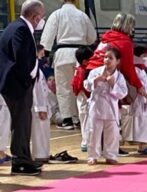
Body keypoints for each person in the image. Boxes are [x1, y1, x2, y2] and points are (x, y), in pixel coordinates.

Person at [0, 0, 46, 176]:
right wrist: (26, 80)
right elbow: (20, 59)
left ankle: (23, 159)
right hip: (17, 85)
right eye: (41, 17)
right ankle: (21, 161)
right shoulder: (20, 29)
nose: (41, 20)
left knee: (22, 122)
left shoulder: (15, 27)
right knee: (21, 123)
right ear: (35, 17)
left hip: (16, 83)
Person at [39, 0, 97, 130]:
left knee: (64, 87)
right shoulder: (82, 15)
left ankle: (67, 119)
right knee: (80, 87)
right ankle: (80, 117)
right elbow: (92, 38)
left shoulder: (57, 14)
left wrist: (45, 53)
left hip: (63, 55)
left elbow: (48, 36)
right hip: (80, 55)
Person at [84, 45, 128, 165]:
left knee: (112, 134)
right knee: (93, 132)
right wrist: (96, 80)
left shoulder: (119, 76)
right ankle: (93, 156)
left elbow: (123, 93)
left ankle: (111, 155)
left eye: (110, 58)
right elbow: (86, 86)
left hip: (111, 108)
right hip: (96, 106)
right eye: (105, 57)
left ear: (117, 61)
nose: (107, 60)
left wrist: (113, 84)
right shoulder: (95, 72)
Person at [131, 45, 147, 155]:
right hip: (141, 99)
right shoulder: (135, 70)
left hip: (145, 99)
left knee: (146, 123)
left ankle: (144, 145)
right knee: (143, 123)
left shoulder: (141, 69)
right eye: (144, 55)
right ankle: (142, 146)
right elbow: (140, 88)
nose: (146, 58)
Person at [71, 45, 93, 152]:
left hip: (80, 98)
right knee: (86, 120)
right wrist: (89, 96)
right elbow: (81, 86)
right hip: (84, 98)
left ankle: (86, 141)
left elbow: (74, 85)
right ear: (85, 61)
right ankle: (86, 142)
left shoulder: (78, 69)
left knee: (84, 119)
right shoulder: (83, 71)